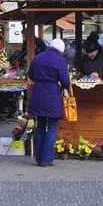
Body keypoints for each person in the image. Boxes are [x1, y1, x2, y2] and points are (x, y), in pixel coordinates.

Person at [27, 38, 70, 167]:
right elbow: (65, 80)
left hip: (38, 93)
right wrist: (65, 87)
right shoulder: (59, 60)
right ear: (60, 50)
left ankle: (39, 159)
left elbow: (31, 74)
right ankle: (47, 159)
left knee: (39, 126)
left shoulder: (38, 57)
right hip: (52, 95)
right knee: (51, 127)